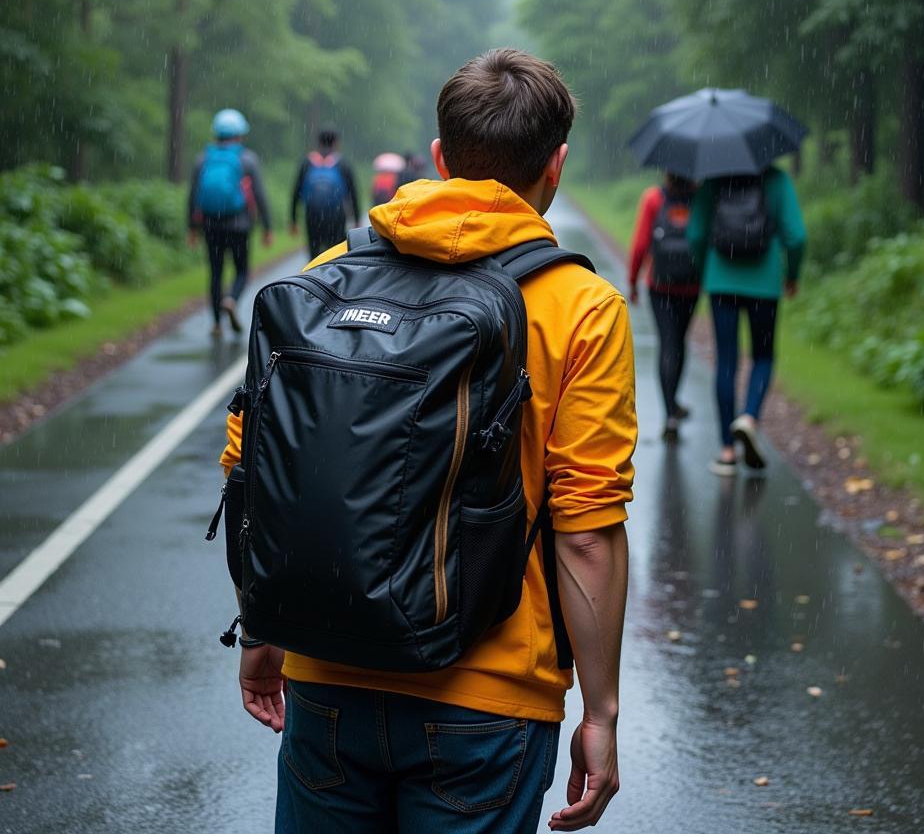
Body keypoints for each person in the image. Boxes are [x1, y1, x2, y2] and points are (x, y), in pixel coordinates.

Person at [219, 49, 637, 833]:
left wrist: (263, 632)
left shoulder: (333, 274)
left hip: (327, 677)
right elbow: (586, 533)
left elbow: (261, 469)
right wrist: (601, 712)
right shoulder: (583, 307)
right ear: (557, 166)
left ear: (441, 157)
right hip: (489, 700)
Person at [686, 165, 806, 475]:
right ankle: (749, 417)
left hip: (721, 280)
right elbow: (797, 236)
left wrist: (705, 269)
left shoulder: (713, 178)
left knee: (726, 360)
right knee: (763, 356)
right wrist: (792, 275)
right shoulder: (778, 180)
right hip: (764, 283)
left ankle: (727, 451)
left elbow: (696, 234)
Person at [628, 172, 701, 441]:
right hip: (691, 286)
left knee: (667, 343)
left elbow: (640, 244)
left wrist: (633, 279)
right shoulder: (700, 198)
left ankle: (670, 412)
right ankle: (674, 404)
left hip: (660, 286)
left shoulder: (654, 198)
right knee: (679, 342)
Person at [188, 108, 273, 337]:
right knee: (242, 271)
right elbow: (260, 195)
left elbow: (193, 195)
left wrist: (191, 228)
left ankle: (216, 323)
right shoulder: (247, 159)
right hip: (240, 225)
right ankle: (231, 299)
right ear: (239, 134)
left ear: (217, 133)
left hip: (210, 225)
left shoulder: (203, 159)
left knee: (215, 272)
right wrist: (267, 226)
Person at [290, 127, 360, 259]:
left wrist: (293, 219)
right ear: (336, 142)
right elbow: (353, 193)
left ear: (319, 142)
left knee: (314, 253)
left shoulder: (307, 162)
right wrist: (356, 218)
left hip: (312, 215)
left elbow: (296, 192)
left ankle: (313, 277)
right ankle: (334, 278)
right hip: (337, 215)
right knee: (336, 253)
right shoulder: (342, 163)